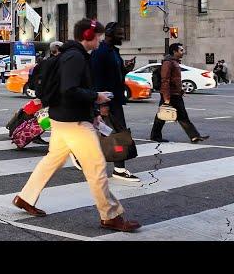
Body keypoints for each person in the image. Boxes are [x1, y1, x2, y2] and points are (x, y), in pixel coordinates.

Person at [12, 18, 141, 232]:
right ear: (88, 36)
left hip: (63, 119)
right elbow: (69, 90)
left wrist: (93, 112)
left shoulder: (71, 54)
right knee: (97, 167)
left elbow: (69, 89)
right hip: (74, 122)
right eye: (97, 36)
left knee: (52, 160)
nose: (100, 39)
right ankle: (110, 215)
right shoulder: (75, 57)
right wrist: (96, 97)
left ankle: (25, 197)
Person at [90, 22, 140, 183]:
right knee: (118, 133)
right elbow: (97, 78)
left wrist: (126, 69)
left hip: (115, 99)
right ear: (109, 33)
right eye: (119, 33)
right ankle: (119, 169)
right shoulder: (100, 52)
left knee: (106, 133)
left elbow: (114, 75)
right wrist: (102, 104)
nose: (122, 36)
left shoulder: (114, 52)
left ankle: (81, 156)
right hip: (107, 101)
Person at [150, 43, 210, 144]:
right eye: (181, 50)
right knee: (164, 115)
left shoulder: (175, 62)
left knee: (178, 116)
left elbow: (175, 80)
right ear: (174, 51)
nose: (183, 52)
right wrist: (166, 98)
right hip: (169, 94)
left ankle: (194, 136)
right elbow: (165, 80)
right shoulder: (168, 63)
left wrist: (180, 90)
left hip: (175, 93)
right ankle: (155, 136)